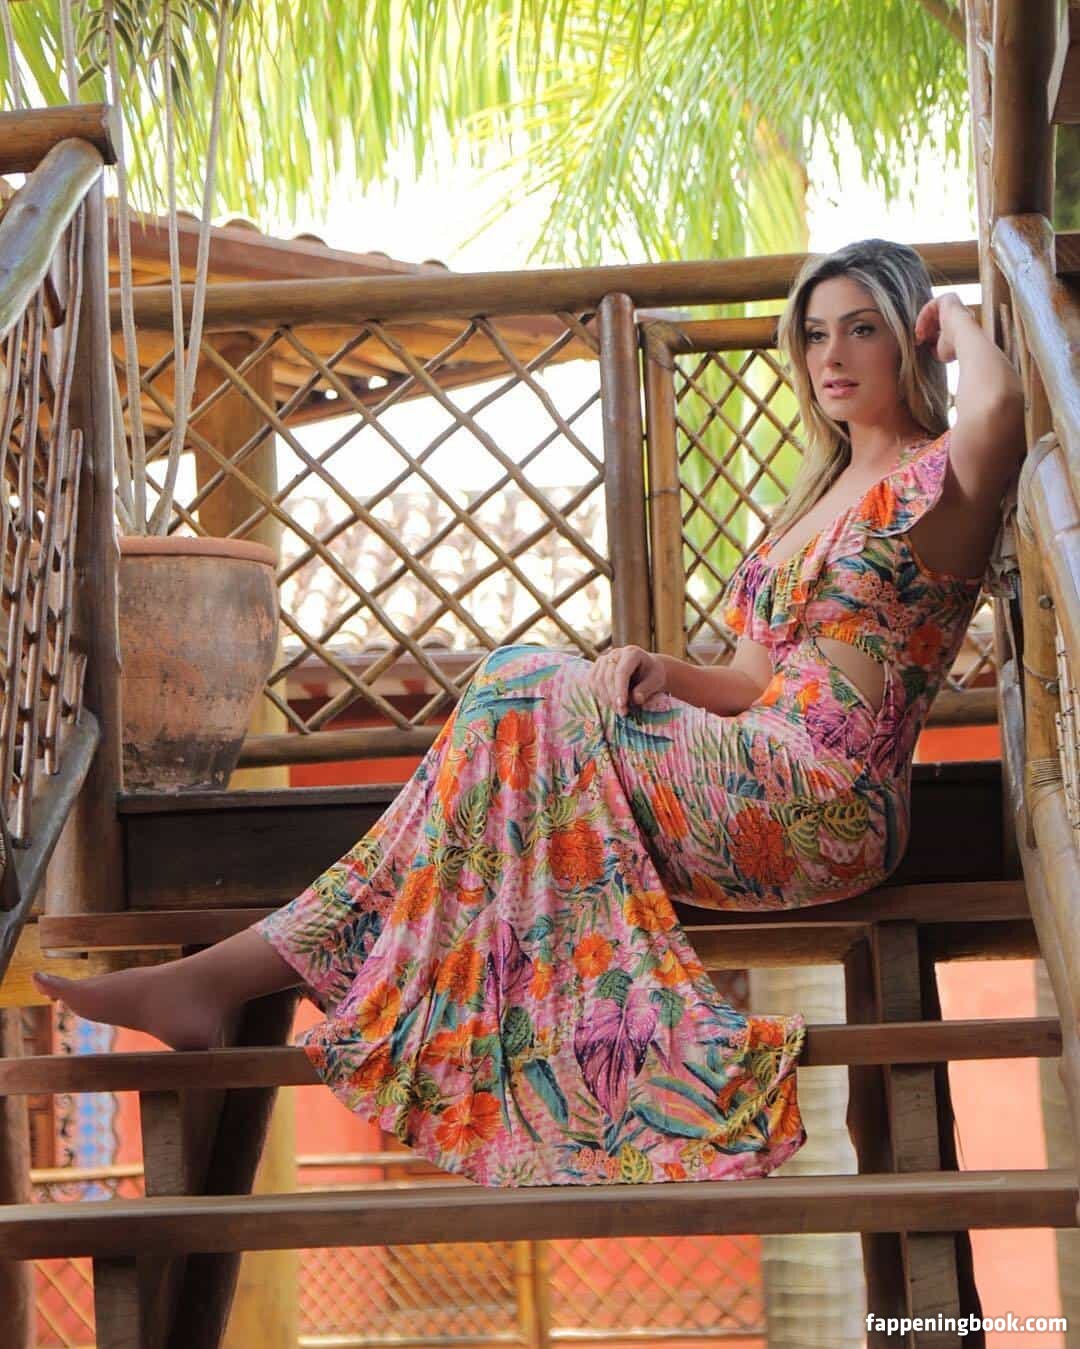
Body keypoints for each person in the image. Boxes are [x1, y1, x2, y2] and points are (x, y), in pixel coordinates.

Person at [32, 238, 1025, 1192]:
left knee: (520, 682)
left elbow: (1005, 406)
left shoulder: (942, 477)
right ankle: (230, 976)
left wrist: (957, 320)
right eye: (813, 334)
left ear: (909, 336)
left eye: (861, 329)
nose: (831, 355)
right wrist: (661, 671)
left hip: (830, 804)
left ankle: (241, 974)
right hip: (747, 767)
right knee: (520, 708)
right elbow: (754, 678)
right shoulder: (816, 498)